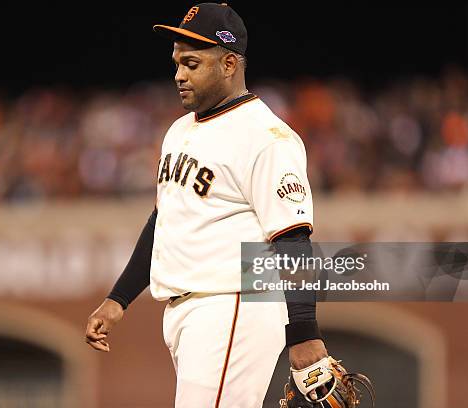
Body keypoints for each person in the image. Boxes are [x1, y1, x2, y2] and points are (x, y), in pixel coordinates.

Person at [85, 3, 328, 407]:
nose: (179, 74)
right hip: (188, 310)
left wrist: (304, 331)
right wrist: (119, 299)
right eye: (178, 62)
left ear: (230, 63)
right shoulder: (180, 130)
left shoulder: (266, 137)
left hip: (232, 304)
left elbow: (293, 239)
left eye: (193, 63)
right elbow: (165, 221)